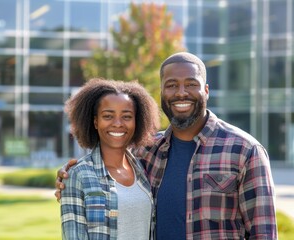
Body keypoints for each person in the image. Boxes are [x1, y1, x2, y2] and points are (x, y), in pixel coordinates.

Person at [56, 52, 278, 239]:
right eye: (171, 85)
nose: (181, 92)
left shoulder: (245, 151)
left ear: (206, 91)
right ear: (161, 92)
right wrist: (71, 176)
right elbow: (108, 173)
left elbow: (264, 233)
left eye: (191, 84)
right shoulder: (146, 151)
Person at [60, 78, 160, 240]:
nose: (118, 124)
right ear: (95, 122)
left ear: (137, 121)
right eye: (108, 116)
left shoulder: (143, 170)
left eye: (126, 117)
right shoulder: (78, 175)